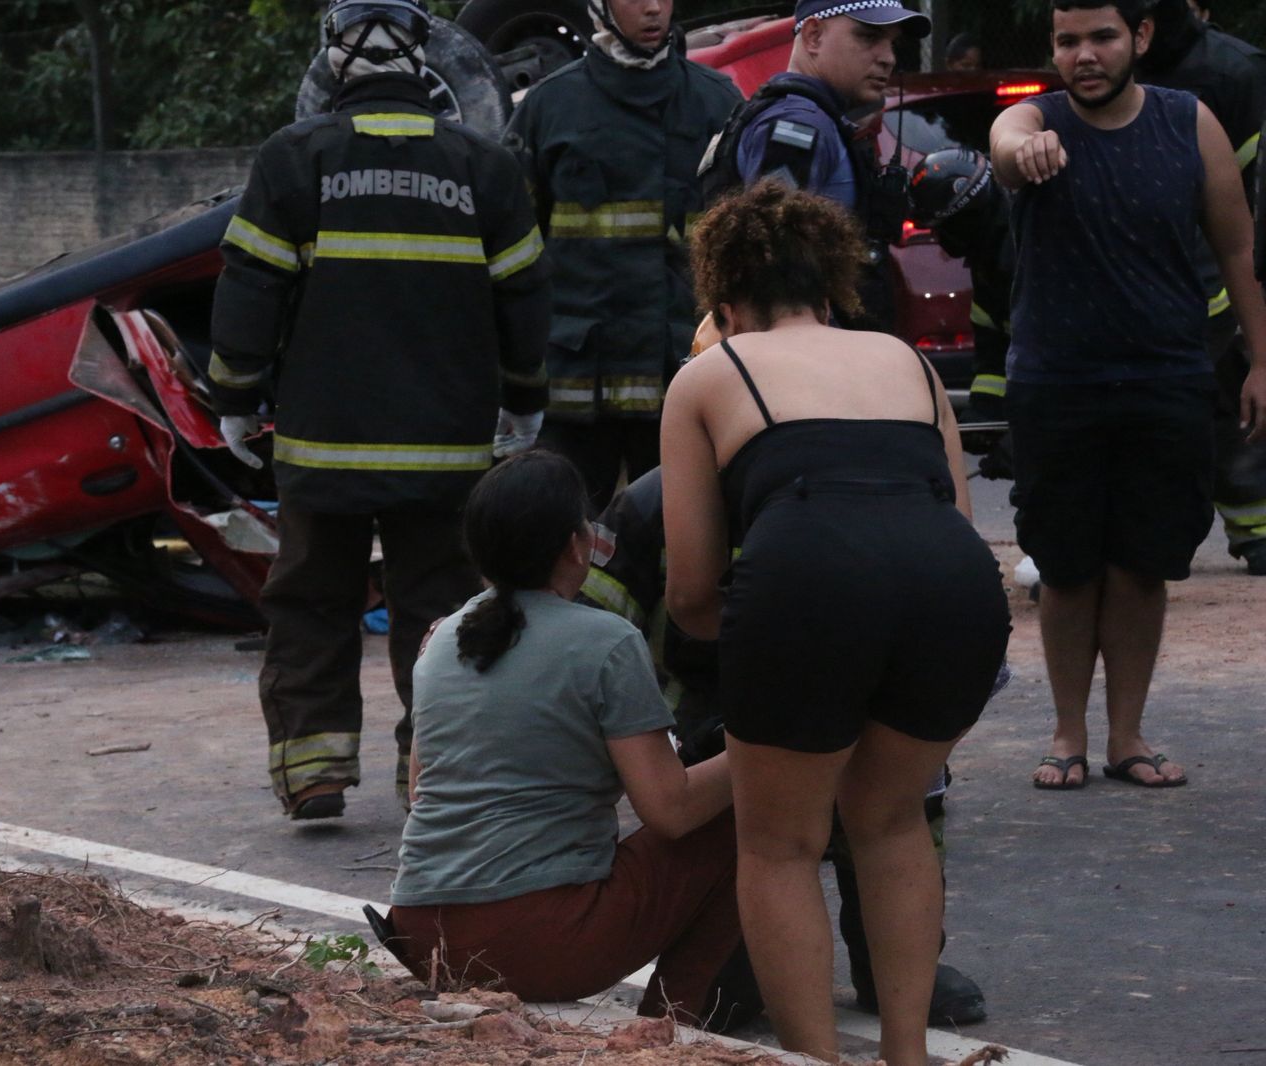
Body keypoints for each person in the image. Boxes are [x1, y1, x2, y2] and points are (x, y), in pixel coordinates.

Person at [661, 181, 1010, 1065]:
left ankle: (815, 1060)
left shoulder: (708, 373)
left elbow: (693, 589)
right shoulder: (908, 361)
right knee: (891, 820)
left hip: (807, 577)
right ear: (831, 289)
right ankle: (907, 1055)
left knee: (780, 843)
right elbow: (957, 524)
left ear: (723, 301)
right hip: (952, 589)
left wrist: (771, 649)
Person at [208, 0, 552, 820]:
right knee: (439, 609)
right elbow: (525, 299)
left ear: (333, 59)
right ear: (424, 60)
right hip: (444, 451)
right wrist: (526, 402)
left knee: (311, 599)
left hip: (324, 446)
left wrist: (233, 395)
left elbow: (251, 290)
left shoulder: (295, 160)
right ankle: (429, 774)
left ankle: (316, 774)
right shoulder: (485, 166)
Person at [580, 466, 993, 1031]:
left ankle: (892, 963)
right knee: (730, 992)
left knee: (899, 807)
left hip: (864, 707)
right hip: (721, 722)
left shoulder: (879, 488)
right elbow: (588, 635)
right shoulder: (656, 504)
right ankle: (740, 949)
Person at [990, 0, 1266, 790]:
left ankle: (1127, 736)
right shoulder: (1033, 122)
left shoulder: (1190, 121)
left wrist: (1261, 361)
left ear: (1139, 39)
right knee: (1070, 570)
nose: (1084, 55)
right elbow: (1006, 151)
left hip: (1169, 378)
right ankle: (1067, 734)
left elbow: (1238, 242)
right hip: (1057, 384)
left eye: (1102, 37)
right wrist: (1025, 148)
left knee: (1144, 567)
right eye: (1067, 40)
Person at [385, 450, 741, 1025]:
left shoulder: (441, 638)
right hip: (538, 943)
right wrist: (763, 753)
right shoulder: (606, 641)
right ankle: (668, 1029)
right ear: (578, 545)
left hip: (422, 939)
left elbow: (423, 791)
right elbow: (670, 810)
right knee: (741, 820)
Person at [505, 0, 741, 513]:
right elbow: (512, 258)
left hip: (683, 376)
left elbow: (739, 251)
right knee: (563, 540)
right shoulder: (548, 107)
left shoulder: (715, 102)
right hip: (576, 390)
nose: (654, 7)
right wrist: (515, 379)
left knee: (681, 544)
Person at [699, 0, 933, 334]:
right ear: (813, 36)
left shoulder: (816, 121)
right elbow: (774, 278)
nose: (888, 57)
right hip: (805, 364)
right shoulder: (797, 128)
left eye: (891, 42)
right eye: (868, 37)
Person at [1137, 0, 1266, 574]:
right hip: (1137, 279)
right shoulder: (1108, 55)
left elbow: (1250, 203)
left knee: (1232, 400)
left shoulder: (1232, 73)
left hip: (1217, 273)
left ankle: (1256, 527)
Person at [908, 147, 1017, 476]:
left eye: (942, 228)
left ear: (966, 215)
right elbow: (993, 348)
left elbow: (1064, 365)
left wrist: (1024, 440)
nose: (940, 240)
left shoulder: (1029, 252)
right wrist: (984, 412)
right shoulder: (990, 257)